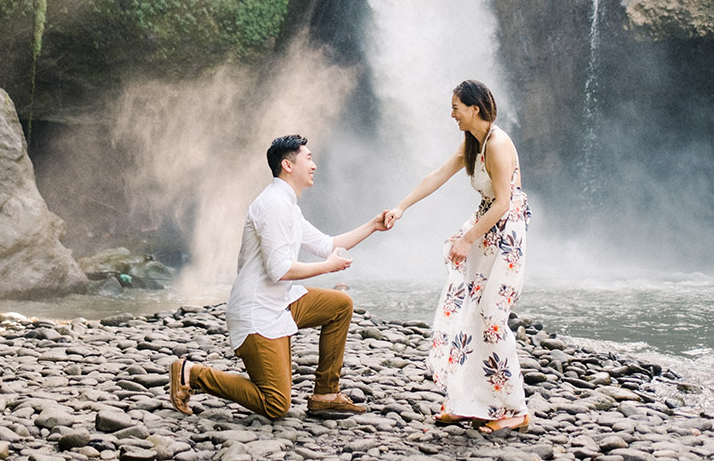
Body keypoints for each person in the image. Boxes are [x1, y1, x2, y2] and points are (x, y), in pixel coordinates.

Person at [169, 134, 389, 420]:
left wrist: (372, 225)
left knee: (340, 305)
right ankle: (192, 373)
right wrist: (328, 267)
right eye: (308, 159)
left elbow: (326, 244)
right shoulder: (272, 205)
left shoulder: (288, 206)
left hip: (280, 303)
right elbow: (280, 269)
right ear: (287, 165)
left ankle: (325, 394)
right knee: (275, 404)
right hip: (257, 312)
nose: (314, 165)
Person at [384, 79, 531, 434]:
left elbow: (504, 203)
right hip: (485, 225)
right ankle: (467, 402)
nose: (452, 115)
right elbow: (438, 175)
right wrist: (401, 207)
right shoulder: (473, 142)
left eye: (455, 108)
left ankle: (515, 409)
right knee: (469, 312)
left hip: (505, 232)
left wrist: (466, 240)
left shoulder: (497, 144)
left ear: (474, 109)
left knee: (492, 317)